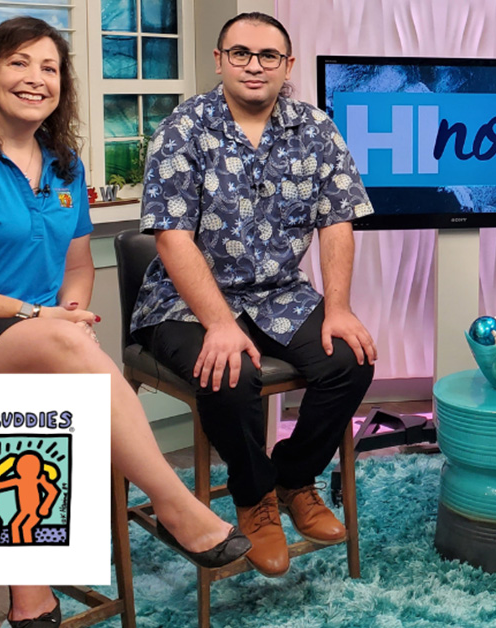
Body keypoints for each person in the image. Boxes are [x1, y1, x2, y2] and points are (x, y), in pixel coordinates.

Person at [0, 17, 250, 627]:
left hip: (29, 343)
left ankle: (32, 602)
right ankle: (174, 504)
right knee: (55, 354)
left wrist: (69, 313)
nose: (36, 78)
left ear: (61, 86)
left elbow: (76, 267)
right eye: (19, 62)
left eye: (49, 67)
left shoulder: (64, 164)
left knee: (45, 374)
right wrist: (39, 318)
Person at [131, 12, 376, 578]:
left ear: (288, 66)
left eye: (269, 56)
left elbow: (337, 220)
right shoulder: (182, 128)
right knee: (230, 372)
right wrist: (219, 323)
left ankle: (292, 478)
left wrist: (338, 308)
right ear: (219, 60)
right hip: (183, 303)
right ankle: (253, 496)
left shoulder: (316, 129)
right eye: (241, 53)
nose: (254, 66)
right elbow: (171, 238)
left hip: (279, 294)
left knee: (350, 358)